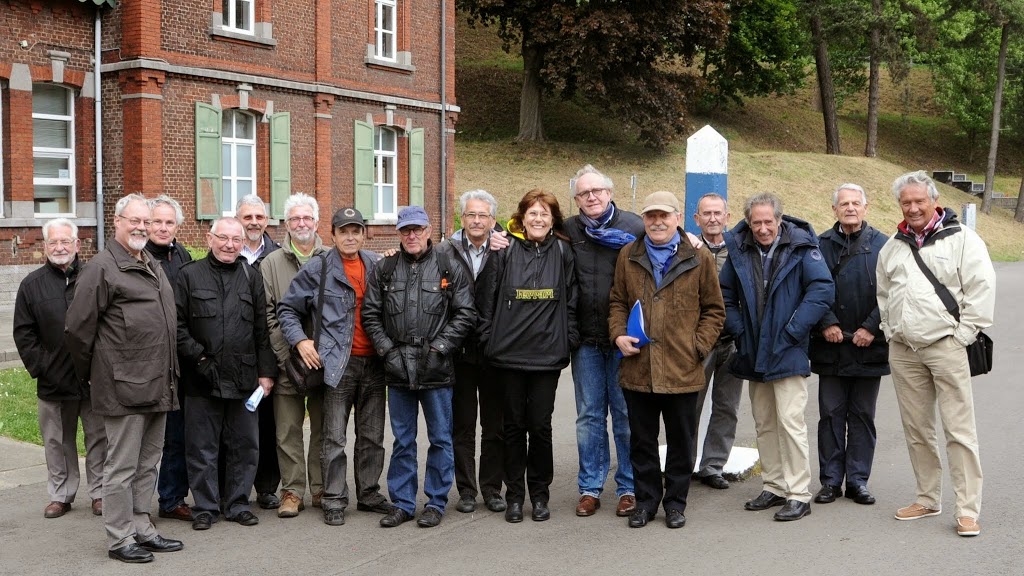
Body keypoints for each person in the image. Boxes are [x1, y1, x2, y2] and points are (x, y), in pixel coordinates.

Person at [876, 171, 995, 537]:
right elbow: (883, 293)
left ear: (934, 201)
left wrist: (962, 337)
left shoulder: (962, 239)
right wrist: (890, 331)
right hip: (904, 350)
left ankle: (967, 510)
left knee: (959, 431)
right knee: (917, 429)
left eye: (919, 201)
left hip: (947, 347)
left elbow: (982, 287)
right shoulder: (892, 246)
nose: (913, 208)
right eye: (906, 202)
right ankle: (928, 498)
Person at [66, 193, 183, 563]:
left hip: (159, 383)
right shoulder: (101, 268)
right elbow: (77, 331)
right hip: (123, 388)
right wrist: (95, 375)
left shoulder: (149, 262)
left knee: (148, 463)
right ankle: (120, 538)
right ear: (117, 221)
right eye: (135, 220)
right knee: (121, 467)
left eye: (146, 222)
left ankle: (142, 527)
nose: (142, 227)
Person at [609, 191, 725, 529]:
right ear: (644, 220)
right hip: (638, 367)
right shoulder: (628, 255)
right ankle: (645, 503)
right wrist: (618, 334)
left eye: (664, 215)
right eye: (651, 216)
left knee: (680, 442)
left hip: (682, 369)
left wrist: (697, 348)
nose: (657, 222)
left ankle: (676, 503)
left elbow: (714, 310)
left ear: (678, 218)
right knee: (642, 442)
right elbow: (617, 302)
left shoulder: (699, 257)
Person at [719, 192, 833, 522]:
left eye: (768, 221)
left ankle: (798, 494)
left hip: (788, 349)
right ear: (748, 222)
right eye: (756, 222)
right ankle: (774, 486)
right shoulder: (739, 248)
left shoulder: (802, 247)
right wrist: (740, 331)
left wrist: (794, 329)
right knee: (765, 423)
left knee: (790, 423)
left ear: (779, 220)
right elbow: (724, 294)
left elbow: (822, 290)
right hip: (754, 350)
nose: (763, 228)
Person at [362, 206, 476, 528]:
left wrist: (440, 348)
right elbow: (370, 314)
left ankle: (436, 502)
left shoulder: (449, 266)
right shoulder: (385, 268)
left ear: (428, 231)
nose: (411, 235)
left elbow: (466, 313)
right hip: (397, 367)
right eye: (405, 230)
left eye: (417, 229)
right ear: (398, 233)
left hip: (436, 366)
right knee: (403, 440)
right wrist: (387, 351)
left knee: (440, 438)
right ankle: (402, 503)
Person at [277, 207, 392, 526]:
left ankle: (368, 493)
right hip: (337, 364)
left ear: (364, 235)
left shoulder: (376, 264)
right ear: (333, 235)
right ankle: (334, 498)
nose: (350, 237)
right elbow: (287, 309)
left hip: (374, 363)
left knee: (372, 436)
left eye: (356, 231)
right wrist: (301, 341)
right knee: (334, 437)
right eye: (344, 231)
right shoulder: (319, 267)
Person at [478, 189, 579, 524]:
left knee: (540, 427)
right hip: (508, 355)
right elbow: (487, 299)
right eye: (532, 213)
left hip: (547, 356)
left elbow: (572, 299)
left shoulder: (563, 251)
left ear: (553, 220)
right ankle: (514, 497)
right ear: (522, 218)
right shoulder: (503, 249)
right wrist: (488, 340)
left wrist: (568, 339)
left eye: (544, 214)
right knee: (512, 428)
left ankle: (539, 495)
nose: (538, 219)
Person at [175, 218, 277, 531]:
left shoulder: (250, 276)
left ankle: (237, 504)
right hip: (201, 377)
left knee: (244, 445)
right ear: (210, 239)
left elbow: (262, 329)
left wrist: (266, 373)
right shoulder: (189, 275)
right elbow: (176, 326)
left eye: (236, 239)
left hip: (243, 377)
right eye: (223, 238)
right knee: (202, 447)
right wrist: (199, 357)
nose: (229, 245)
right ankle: (206, 507)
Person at [14, 218, 107, 519]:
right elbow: (24, 333)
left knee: (99, 437)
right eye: (53, 242)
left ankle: (100, 493)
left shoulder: (95, 277)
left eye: (65, 241)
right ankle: (61, 494)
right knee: (57, 441)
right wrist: (42, 366)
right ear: (45, 246)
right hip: (53, 380)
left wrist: (101, 364)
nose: (59, 247)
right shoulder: (32, 285)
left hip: (93, 377)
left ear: (77, 244)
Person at [563, 165, 642, 518]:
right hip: (586, 340)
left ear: (610, 193)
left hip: (625, 339)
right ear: (577, 199)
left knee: (625, 416)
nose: (591, 197)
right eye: (584, 193)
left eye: (597, 191)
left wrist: (694, 239)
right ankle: (590, 487)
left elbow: (670, 241)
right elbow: (530, 230)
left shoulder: (635, 227)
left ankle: (628, 487)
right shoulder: (569, 230)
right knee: (589, 417)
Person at [809, 184, 889, 506]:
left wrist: (871, 327)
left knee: (862, 416)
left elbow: (892, 293)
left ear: (866, 208)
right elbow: (810, 288)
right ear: (835, 209)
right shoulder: (819, 245)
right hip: (830, 346)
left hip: (870, 346)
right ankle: (830, 481)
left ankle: (858, 480)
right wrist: (826, 321)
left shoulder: (884, 245)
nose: (851, 208)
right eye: (844, 204)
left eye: (856, 203)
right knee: (830, 415)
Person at [259, 193, 326, 518]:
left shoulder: (331, 258)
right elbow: (269, 315)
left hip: (324, 362)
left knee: (324, 428)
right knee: (287, 430)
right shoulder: (271, 263)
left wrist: (321, 352)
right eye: (295, 218)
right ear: (286, 224)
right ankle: (292, 490)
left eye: (307, 218)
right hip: (286, 360)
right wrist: (290, 353)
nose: (301, 223)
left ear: (317, 222)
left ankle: (321, 487)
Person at [446, 190, 510, 514]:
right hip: (459, 351)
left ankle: (492, 488)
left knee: (495, 425)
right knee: (463, 425)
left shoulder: (504, 249)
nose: (475, 220)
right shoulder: (446, 250)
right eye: (470, 214)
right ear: (462, 218)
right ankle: (467, 490)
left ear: (492, 220)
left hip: (494, 350)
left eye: (482, 215)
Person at [144, 195, 195, 522]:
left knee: (178, 434)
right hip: (148, 360)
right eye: (157, 222)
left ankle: (172, 497)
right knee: (145, 439)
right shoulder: (139, 256)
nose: (163, 228)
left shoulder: (183, 256)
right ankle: (134, 505)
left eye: (169, 222)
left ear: (177, 226)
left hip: (181, 360)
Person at [691, 193, 745, 490]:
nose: (712, 218)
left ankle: (712, 466)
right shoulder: (686, 249)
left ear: (727, 217)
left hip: (732, 341)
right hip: (698, 343)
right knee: (689, 406)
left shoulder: (740, 250)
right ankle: (683, 463)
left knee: (727, 407)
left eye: (717, 213)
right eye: (706, 213)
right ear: (696, 218)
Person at [234, 194, 284, 511]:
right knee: (235, 428)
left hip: (268, 354)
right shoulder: (227, 253)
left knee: (267, 426)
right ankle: (234, 487)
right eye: (247, 217)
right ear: (238, 220)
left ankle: (266, 487)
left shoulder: (277, 256)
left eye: (259, 217)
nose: (254, 222)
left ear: (266, 221)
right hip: (234, 356)